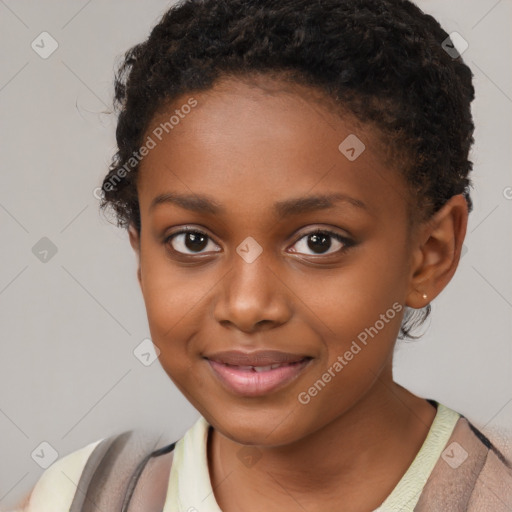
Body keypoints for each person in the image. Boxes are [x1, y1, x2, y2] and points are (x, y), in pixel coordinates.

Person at [15, 0, 512, 510]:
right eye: (193, 240)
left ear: (430, 253)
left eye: (319, 241)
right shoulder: (78, 498)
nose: (248, 306)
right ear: (141, 254)